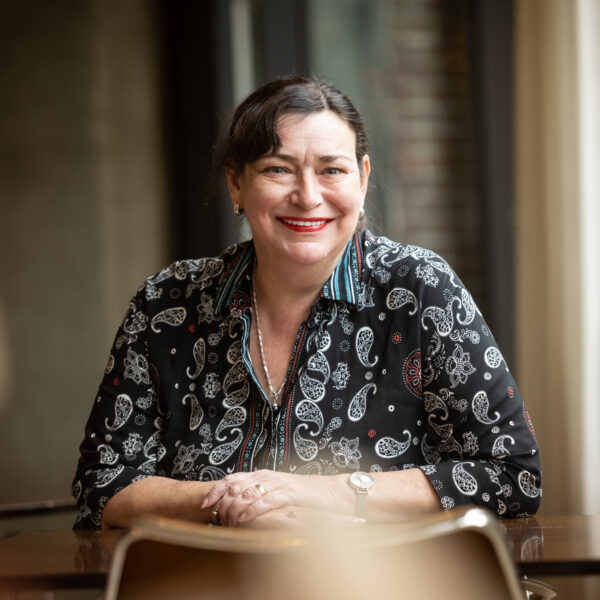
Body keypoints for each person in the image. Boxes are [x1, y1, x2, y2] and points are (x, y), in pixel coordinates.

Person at [72, 76, 541, 529]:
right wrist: (234, 501)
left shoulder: (418, 289)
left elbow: (511, 474)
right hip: (203, 573)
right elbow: (102, 483)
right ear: (236, 183)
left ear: (362, 179)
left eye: (332, 170)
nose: (308, 196)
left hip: (379, 573)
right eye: (278, 169)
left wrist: (318, 492)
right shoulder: (166, 302)